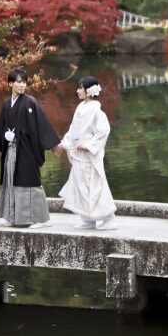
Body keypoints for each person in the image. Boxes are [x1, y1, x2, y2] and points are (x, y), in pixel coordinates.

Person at [0, 69, 60, 228]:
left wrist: (53, 145)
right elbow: (0, 126)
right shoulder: (7, 104)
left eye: (24, 82)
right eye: (18, 82)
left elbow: (41, 125)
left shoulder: (30, 102)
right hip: (11, 150)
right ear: (10, 83)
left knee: (29, 182)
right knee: (10, 181)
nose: (22, 85)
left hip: (27, 149)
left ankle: (40, 220)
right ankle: (10, 217)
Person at [54, 76, 118, 230]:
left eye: (80, 88)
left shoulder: (97, 111)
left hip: (89, 156)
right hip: (78, 155)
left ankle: (109, 218)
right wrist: (63, 144)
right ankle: (87, 218)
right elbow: (73, 129)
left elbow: (103, 131)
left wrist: (88, 145)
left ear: (88, 91)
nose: (77, 91)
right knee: (80, 186)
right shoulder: (80, 107)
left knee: (95, 187)